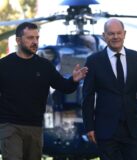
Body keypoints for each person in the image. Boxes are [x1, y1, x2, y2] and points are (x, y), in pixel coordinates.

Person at [0, 22, 88, 160]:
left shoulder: (44, 66)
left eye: (37, 38)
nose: (35, 42)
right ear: (18, 40)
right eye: (30, 38)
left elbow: (65, 87)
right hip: (10, 125)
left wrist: (74, 80)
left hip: (35, 126)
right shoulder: (4, 65)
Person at [82, 18, 137, 160]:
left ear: (124, 34)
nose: (115, 37)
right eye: (111, 33)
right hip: (106, 130)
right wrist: (89, 126)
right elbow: (88, 97)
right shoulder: (94, 61)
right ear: (104, 35)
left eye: (118, 33)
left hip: (132, 129)